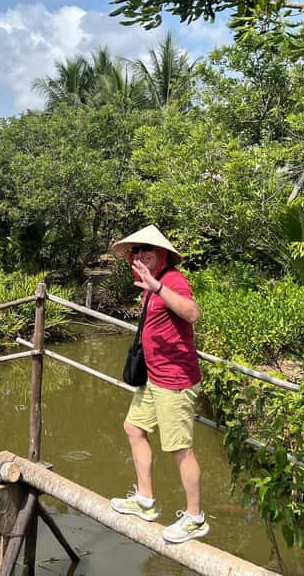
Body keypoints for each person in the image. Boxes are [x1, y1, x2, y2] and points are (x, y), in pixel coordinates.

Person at [109, 224, 209, 543]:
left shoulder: (173, 280)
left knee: (180, 448)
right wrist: (151, 288)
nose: (140, 255)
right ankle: (145, 500)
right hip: (154, 376)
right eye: (136, 250)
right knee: (133, 428)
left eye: (146, 249)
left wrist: (157, 288)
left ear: (162, 253)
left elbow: (192, 313)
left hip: (175, 379)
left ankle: (195, 518)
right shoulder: (150, 285)